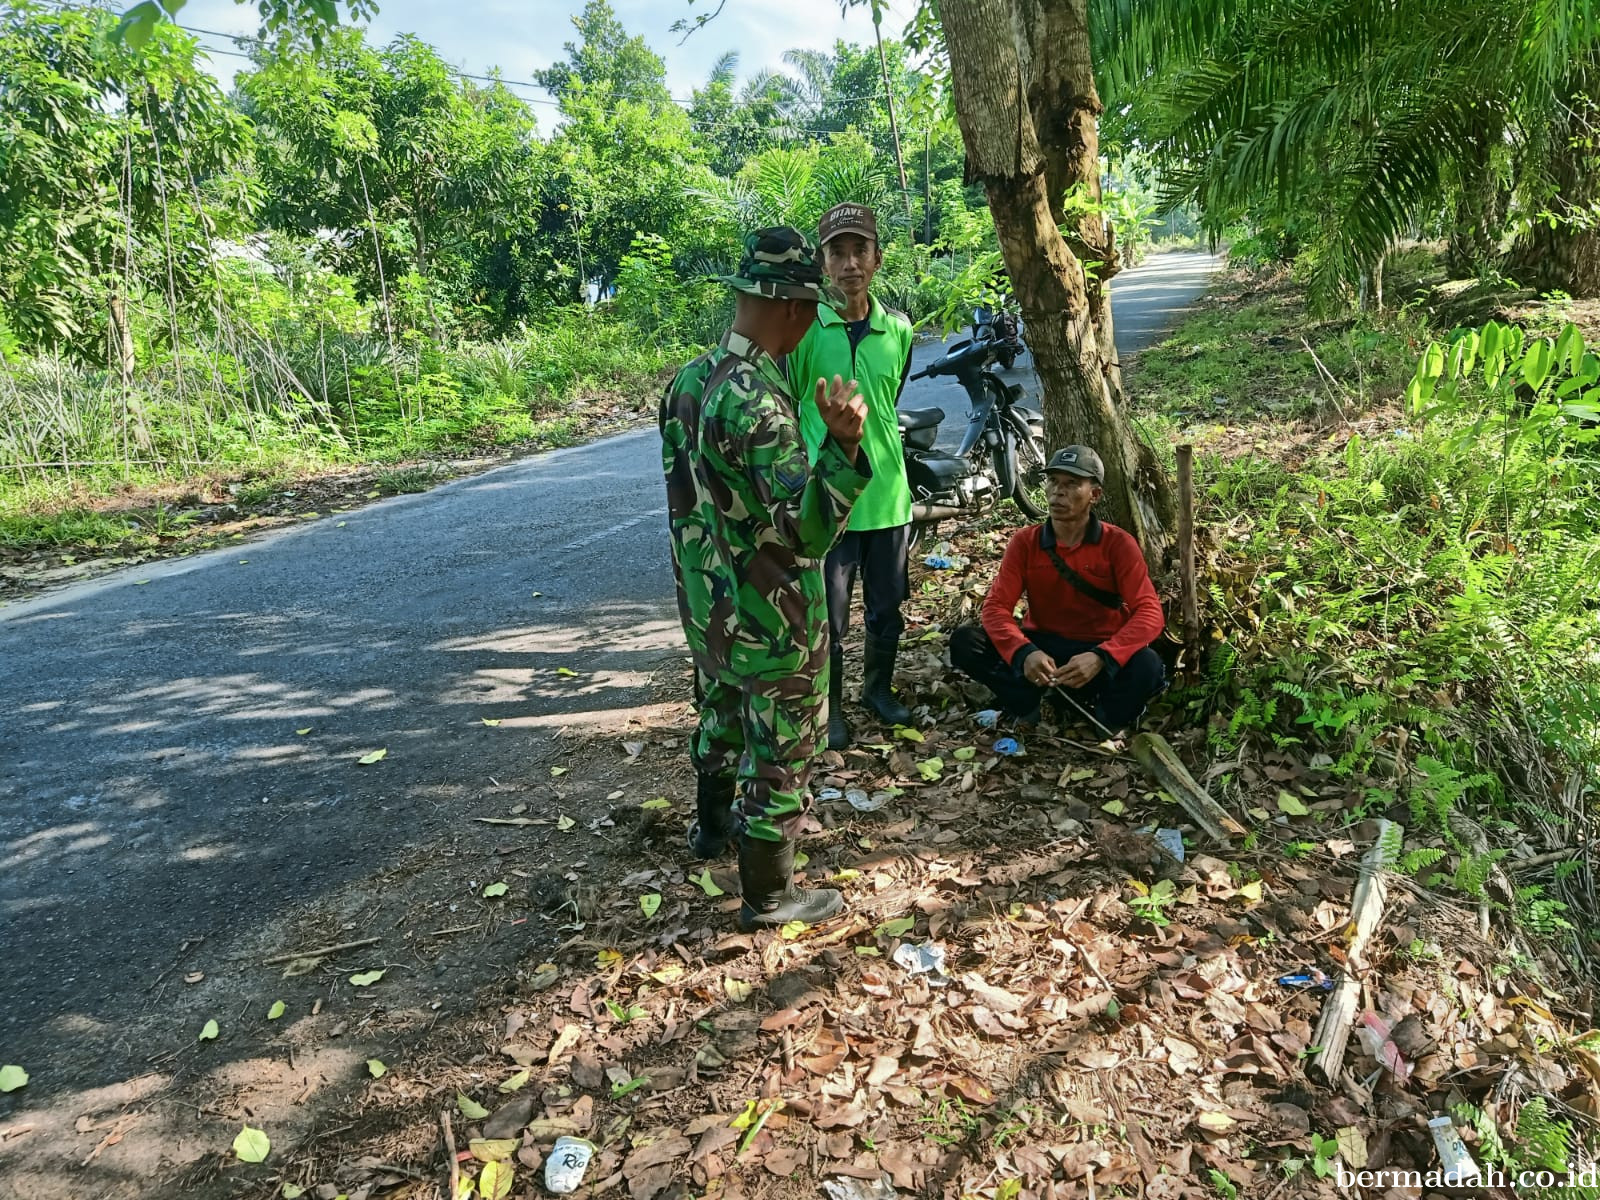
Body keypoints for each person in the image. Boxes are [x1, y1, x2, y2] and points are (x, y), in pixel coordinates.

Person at [659, 226, 870, 931]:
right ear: (787, 307)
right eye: (809, 307)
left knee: (720, 717)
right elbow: (806, 530)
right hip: (773, 614)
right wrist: (844, 448)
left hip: (708, 606)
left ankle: (711, 831)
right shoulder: (757, 402)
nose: (813, 320)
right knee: (782, 748)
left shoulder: (690, 381)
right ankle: (768, 895)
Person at [789, 202, 917, 750]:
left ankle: (878, 691)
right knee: (831, 618)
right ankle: (832, 706)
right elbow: (790, 407)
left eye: (858, 250)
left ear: (877, 258)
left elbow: (889, 404)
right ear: (822, 263)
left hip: (888, 497)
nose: (848, 264)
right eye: (836, 252)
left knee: (888, 607)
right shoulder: (805, 332)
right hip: (829, 501)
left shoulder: (899, 332)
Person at [949, 446, 1166, 732]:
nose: (1058, 493)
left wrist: (1103, 657)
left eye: (1072, 484)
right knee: (966, 641)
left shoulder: (1118, 544)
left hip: (1098, 649)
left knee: (1148, 665)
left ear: (1095, 495)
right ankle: (1030, 704)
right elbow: (995, 607)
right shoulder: (1025, 543)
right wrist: (1023, 652)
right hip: (1042, 649)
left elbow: (1150, 612)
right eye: (1053, 482)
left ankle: (1103, 719)